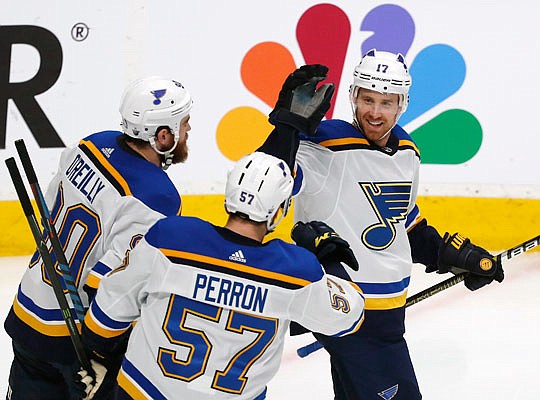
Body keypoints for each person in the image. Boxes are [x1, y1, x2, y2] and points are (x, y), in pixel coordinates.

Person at [258, 53, 504, 399]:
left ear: (402, 104)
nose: (374, 112)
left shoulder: (407, 151)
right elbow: (264, 183)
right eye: (367, 99)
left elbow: (403, 223)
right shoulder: (325, 143)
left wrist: (449, 255)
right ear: (353, 96)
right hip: (349, 310)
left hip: (386, 315)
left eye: (386, 102)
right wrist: (287, 129)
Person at [72, 151, 365, 399]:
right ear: (279, 211)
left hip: (143, 391)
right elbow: (349, 317)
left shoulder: (172, 238)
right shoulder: (297, 271)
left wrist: (101, 358)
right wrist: (328, 259)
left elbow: (104, 320)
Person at [4, 76, 194, 399]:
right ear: (164, 136)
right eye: (184, 124)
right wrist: (104, 355)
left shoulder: (91, 144)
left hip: (28, 311)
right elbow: (110, 284)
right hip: (75, 343)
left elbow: (48, 214)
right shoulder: (156, 196)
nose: (188, 132)